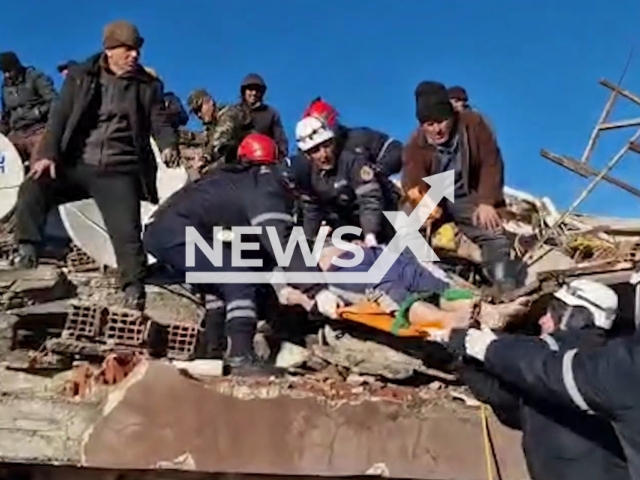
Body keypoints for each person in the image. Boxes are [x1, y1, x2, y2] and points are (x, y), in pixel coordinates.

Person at [143, 133, 342, 376]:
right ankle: (241, 357)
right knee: (238, 277)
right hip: (175, 231)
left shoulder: (237, 181)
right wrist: (317, 290)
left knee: (220, 283)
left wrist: (291, 289)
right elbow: (281, 241)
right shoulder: (268, 186)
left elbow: (261, 255)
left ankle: (213, 352)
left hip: (168, 229)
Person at [13, 20, 179, 311]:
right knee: (34, 186)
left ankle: (133, 286)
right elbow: (60, 117)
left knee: (126, 229)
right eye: (127, 49)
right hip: (77, 162)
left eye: (137, 49)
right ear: (110, 50)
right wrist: (48, 154)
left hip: (118, 169)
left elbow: (159, 121)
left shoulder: (147, 86)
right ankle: (27, 246)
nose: (135, 55)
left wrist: (168, 146)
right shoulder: (81, 76)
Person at [455, 279, 629, 480]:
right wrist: (465, 363)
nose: (541, 321)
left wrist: (484, 347)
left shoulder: (567, 361)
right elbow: (509, 402)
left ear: (572, 317)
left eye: (551, 312)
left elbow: (532, 361)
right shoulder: (608, 364)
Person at [403, 81, 523, 294]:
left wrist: (487, 201)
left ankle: (503, 283)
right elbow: (412, 181)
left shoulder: (473, 124)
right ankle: (428, 278)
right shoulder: (415, 145)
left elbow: (491, 162)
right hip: (435, 195)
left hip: (466, 194)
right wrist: (422, 203)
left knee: (493, 232)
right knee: (408, 226)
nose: (437, 129)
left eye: (442, 121)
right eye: (430, 124)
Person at [293, 115, 398, 246]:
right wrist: (309, 241)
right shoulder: (307, 174)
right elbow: (312, 209)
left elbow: (369, 199)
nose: (324, 155)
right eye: (315, 151)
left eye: (326, 145)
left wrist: (370, 235)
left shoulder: (352, 160)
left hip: (385, 216)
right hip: (347, 224)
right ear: (307, 155)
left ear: (333, 141)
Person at [299, 97, 403, 177]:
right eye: (314, 149)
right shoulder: (306, 163)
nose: (323, 153)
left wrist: (378, 171)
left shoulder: (359, 138)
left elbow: (395, 149)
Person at [0, 51, 58, 169]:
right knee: (5, 162)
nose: (7, 75)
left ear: (17, 67)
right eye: (4, 72)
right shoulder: (5, 88)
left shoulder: (35, 77)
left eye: (9, 71)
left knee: (39, 164)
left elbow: (55, 102)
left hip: (38, 130)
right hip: (16, 133)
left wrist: (38, 113)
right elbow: (6, 115)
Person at [186, 88, 252, 170]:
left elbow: (221, 139)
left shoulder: (229, 114)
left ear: (210, 102)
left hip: (246, 163)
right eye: (196, 112)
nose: (199, 115)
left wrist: (204, 159)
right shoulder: (210, 128)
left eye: (200, 109)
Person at [238, 73, 288, 158]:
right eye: (250, 89)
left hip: (264, 159)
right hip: (238, 160)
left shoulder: (270, 113)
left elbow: (280, 139)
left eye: (257, 90)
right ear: (244, 91)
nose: (254, 93)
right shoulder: (233, 112)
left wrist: (282, 157)